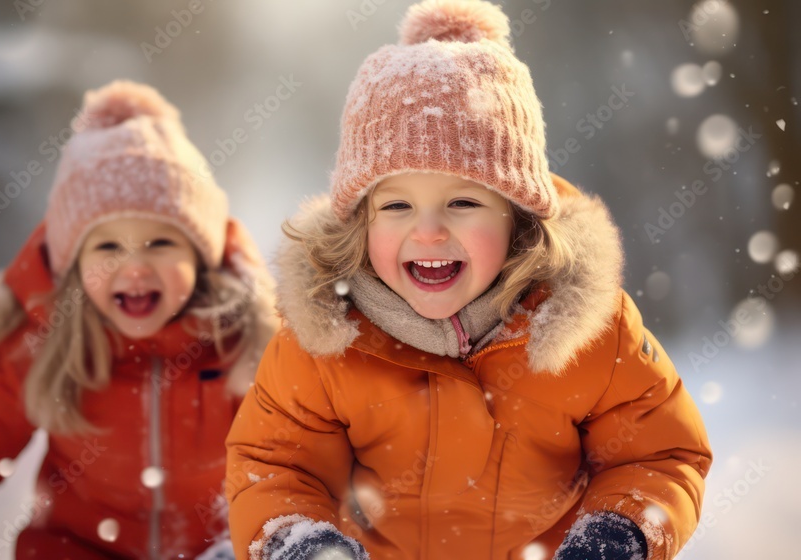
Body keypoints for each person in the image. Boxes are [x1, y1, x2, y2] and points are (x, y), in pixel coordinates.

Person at [225, 1, 711, 559]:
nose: (428, 231)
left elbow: (657, 455)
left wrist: (617, 531)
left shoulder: (588, 330)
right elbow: (277, 465)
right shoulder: (325, 338)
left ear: (518, 216)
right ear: (359, 220)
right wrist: (299, 540)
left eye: (462, 201)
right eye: (397, 205)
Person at [0, 80, 278, 559]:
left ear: (203, 257)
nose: (133, 268)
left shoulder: (247, 344)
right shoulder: (42, 338)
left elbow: (294, 461)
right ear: (71, 265)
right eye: (108, 246)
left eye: (161, 243)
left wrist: (245, 544)